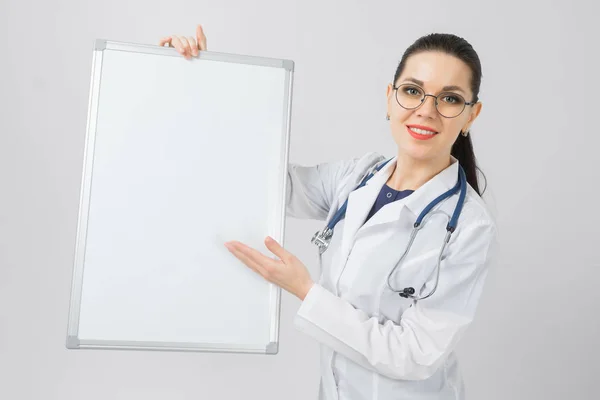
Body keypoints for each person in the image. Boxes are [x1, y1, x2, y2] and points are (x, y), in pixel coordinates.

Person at [160, 24, 498, 400]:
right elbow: (267, 183)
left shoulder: (468, 225)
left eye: (449, 99)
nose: (426, 110)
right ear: (390, 98)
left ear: (471, 115)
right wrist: (204, 82)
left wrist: (305, 290)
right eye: (413, 91)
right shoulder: (357, 177)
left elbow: (414, 356)